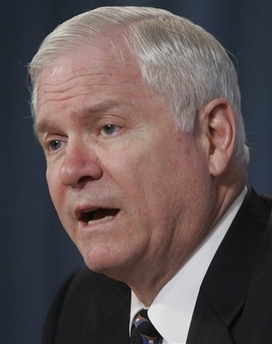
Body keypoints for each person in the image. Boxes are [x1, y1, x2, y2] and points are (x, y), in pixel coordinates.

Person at [28, 6, 272, 344]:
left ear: (213, 138)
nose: (71, 170)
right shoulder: (78, 306)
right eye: (55, 143)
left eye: (108, 128)